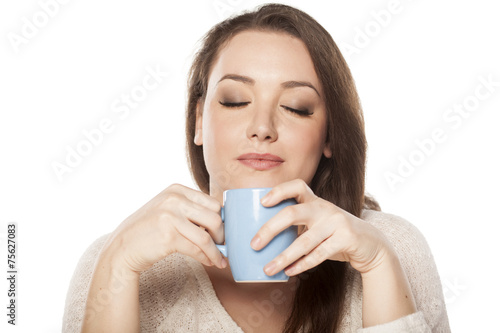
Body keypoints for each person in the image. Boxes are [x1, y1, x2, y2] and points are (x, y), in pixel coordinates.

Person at [62, 4, 450, 332]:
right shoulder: (116, 258)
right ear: (198, 121)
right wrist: (118, 265)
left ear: (330, 135)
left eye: (296, 107)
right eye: (234, 101)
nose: (262, 128)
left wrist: (378, 264)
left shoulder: (391, 247)